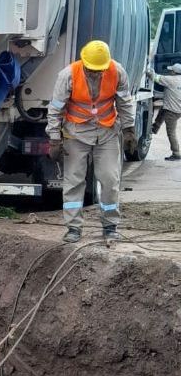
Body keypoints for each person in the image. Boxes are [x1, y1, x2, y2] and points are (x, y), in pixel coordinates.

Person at [46, 40, 136, 243]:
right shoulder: (68, 75)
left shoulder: (117, 71)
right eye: (91, 70)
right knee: (73, 181)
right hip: (76, 134)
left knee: (110, 179)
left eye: (99, 70)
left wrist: (129, 129)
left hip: (106, 133)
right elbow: (56, 109)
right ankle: (73, 228)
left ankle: (110, 225)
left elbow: (124, 101)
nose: (95, 74)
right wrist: (54, 139)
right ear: (84, 63)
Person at [147, 63, 181, 161]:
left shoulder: (170, 80)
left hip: (172, 111)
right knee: (163, 109)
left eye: (171, 70)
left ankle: (176, 153)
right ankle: (155, 127)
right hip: (178, 109)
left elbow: (154, 77)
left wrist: (149, 70)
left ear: (174, 72)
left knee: (171, 132)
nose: (170, 71)